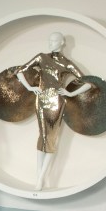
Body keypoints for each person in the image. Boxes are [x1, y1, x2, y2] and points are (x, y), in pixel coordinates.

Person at [15, 32, 92, 190]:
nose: (50, 42)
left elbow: (88, 83)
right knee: (43, 135)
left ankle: (40, 178)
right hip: (42, 99)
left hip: (57, 101)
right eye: (49, 39)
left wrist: (70, 93)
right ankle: (39, 178)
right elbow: (19, 71)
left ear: (62, 42)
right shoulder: (41, 57)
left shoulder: (67, 63)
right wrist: (30, 87)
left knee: (51, 137)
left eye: (54, 40)